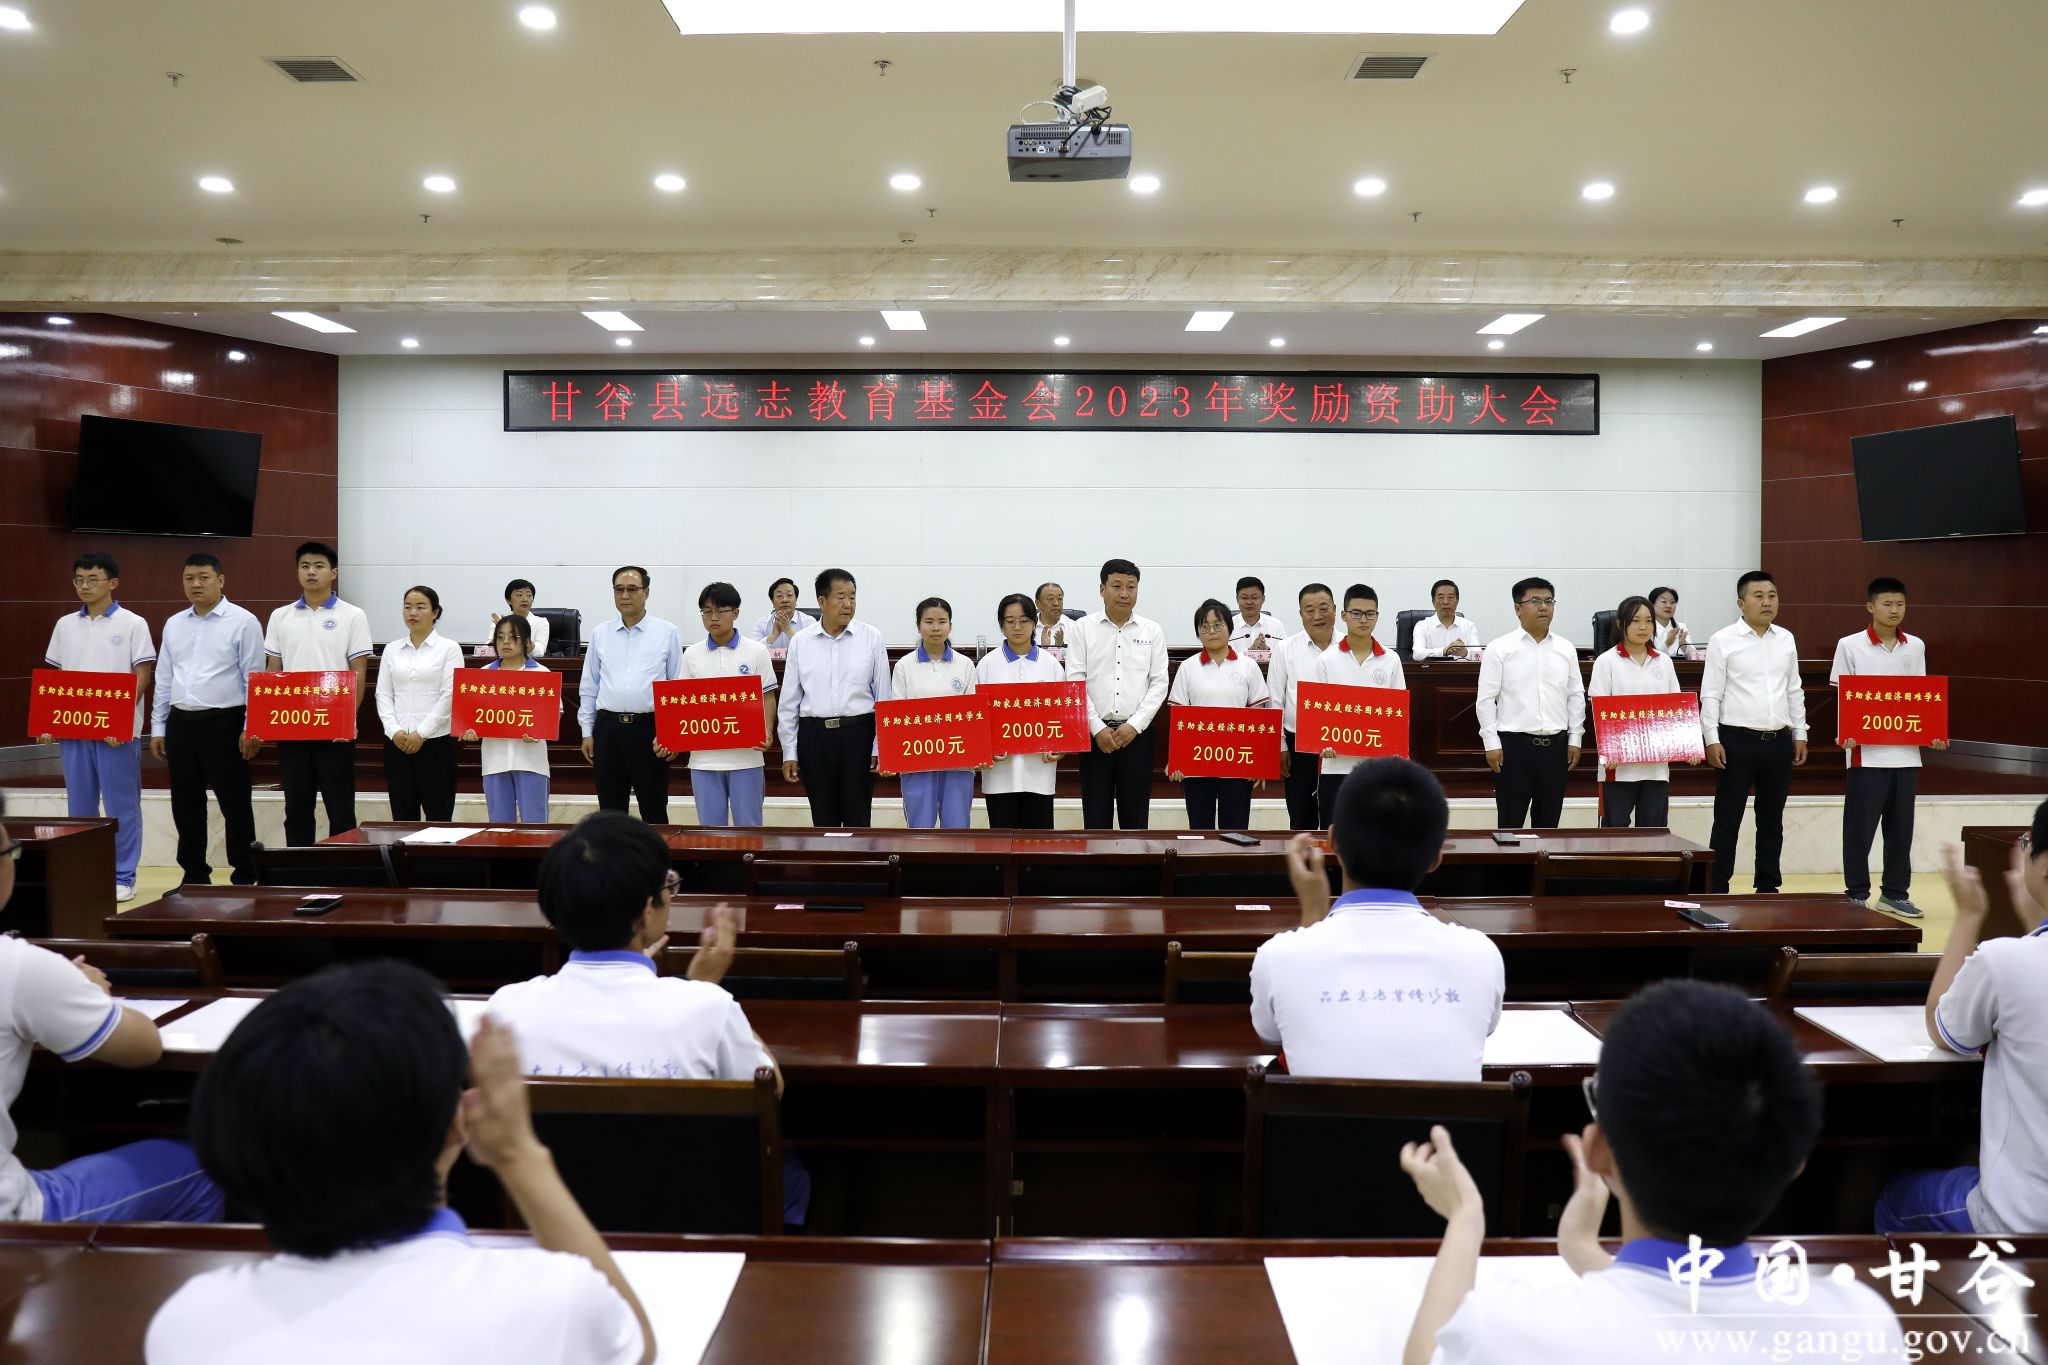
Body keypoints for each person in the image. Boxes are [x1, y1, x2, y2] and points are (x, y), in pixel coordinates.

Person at [146, 960, 654, 1365]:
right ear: (455, 1124)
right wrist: (519, 1154)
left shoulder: (187, 1323)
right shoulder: (555, 1301)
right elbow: (635, 1344)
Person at [1397, 978, 1900, 1365]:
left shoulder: (1514, 1331)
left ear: (1599, 1154)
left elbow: (1428, 1353)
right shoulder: (1862, 1326)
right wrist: (1582, 1250)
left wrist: (1466, 1218)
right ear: (1795, 1161)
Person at [487, 812, 807, 1228]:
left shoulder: (506, 1010)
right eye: (667, 886)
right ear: (645, 912)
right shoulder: (705, 1008)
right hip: (684, 1231)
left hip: (551, 1231)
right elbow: (769, 1087)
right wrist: (702, 986)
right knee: (793, 1174)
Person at [0, 794, 223, 1225]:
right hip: (12, 1218)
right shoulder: (20, 965)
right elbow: (142, 1046)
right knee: (201, 1165)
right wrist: (82, 990)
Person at [1252, 759, 1503, 1079]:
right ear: (1435, 858)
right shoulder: (1481, 956)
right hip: (1441, 1116)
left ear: (1333, 842)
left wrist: (1313, 916)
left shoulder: (1279, 956)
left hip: (1322, 1115)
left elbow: (1274, 1035)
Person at [1884, 807, 2048, 1235]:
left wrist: (1969, 916)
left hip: (2023, 1222)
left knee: (1893, 1196)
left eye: (2027, 845)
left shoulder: (2005, 960)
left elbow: (1943, 1027)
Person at [39, 550, 154, 900]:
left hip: (115, 733)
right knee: (80, 807)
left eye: (93, 579)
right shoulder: (65, 624)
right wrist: (49, 720)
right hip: (74, 729)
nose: (85, 586)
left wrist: (120, 720)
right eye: (79, 580)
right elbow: (59, 678)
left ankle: (123, 875)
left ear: (112, 583)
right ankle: (84, 871)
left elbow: (142, 674)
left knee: (122, 807)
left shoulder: (133, 623)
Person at [1833, 576, 1946, 917]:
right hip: (1865, 753)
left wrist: (1932, 732)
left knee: (1900, 831)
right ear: (1870, 607)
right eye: (1887, 604)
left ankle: (1895, 893)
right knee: (1859, 829)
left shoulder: (1916, 646)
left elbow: (1920, 697)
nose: (1894, 610)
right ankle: (1856, 893)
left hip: (1906, 753)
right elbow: (1844, 696)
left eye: (1900, 604)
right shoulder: (1849, 645)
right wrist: (1846, 732)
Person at [151, 553, 265, 886]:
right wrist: (158, 726)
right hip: (181, 723)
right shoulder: (174, 624)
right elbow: (164, 677)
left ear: (220, 580)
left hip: (225, 723)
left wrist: (251, 726)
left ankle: (244, 874)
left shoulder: (243, 621)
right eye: (189, 578)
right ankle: (194, 875)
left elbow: (254, 678)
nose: (196, 584)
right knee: (185, 803)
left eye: (203, 577)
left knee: (235, 802)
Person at [1700, 570, 1808, 894]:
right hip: (1736, 742)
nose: (1767, 602)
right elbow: (1711, 694)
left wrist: (1800, 732)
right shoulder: (1723, 640)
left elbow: (1794, 689)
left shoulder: (1786, 639)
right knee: (1727, 820)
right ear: (1741, 603)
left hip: (1778, 742)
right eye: (1758, 596)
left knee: (1772, 820)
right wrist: (1711, 739)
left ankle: (1767, 887)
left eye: (1772, 596)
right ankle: (1717, 887)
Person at [263, 541, 373, 846]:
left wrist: (348, 721)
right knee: (297, 808)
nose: (311, 572)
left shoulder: (353, 615)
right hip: (292, 726)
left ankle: (341, 868)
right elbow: (273, 669)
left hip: (334, 728)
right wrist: (269, 721)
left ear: (333, 573)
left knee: (340, 809)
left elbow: (358, 672)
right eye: (305, 566)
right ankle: (299, 868)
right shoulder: (280, 616)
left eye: (319, 566)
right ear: (297, 571)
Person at [778, 569, 891, 828]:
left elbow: (883, 696)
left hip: (859, 736)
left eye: (852, 597)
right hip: (815, 738)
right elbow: (789, 702)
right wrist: (789, 751)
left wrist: (879, 746)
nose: (848, 604)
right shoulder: (801, 642)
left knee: (858, 818)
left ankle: (859, 857)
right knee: (823, 819)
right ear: (822, 601)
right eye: (841, 597)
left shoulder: (871, 637)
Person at [1066, 558, 1169, 830]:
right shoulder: (1082, 628)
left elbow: (1159, 683)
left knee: (1135, 820)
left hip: (1137, 737)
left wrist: (1134, 725)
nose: (1125, 593)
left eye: (1131, 587)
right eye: (1117, 586)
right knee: (1096, 820)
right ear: (1102, 589)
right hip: (1095, 738)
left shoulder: (1152, 630)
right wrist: (1096, 728)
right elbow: (1075, 680)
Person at [1475, 577, 1584, 830]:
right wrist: (1491, 742)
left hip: (1556, 749)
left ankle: (1542, 860)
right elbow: (1486, 700)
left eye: (1549, 601)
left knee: (1548, 827)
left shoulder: (1566, 648)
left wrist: (1575, 738)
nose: (1544, 607)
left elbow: (1575, 696)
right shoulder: (1500, 648)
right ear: (1517, 608)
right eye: (1535, 601)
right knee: (1510, 826)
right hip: (1513, 749)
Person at [577, 566, 683, 824]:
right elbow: (589, 686)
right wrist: (587, 731)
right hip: (608, 731)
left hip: (650, 732)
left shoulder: (667, 632)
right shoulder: (600, 633)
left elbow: (676, 687)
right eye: (619, 589)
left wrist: (673, 735)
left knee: (654, 809)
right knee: (610, 812)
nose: (625, 595)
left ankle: (655, 853)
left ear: (647, 592)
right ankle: (614, 852)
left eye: (632, 589)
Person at [1167, 598, 1272, 830]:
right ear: (1198, 633)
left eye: (1218, 625)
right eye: (1204, 626)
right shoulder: (1188, 667)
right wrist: (1176, 760)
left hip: (1239, 761)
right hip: (1197, 761)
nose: (1212, 631)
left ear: (1229, 629)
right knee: (1199, 827)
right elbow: (1178, 718)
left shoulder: (1248, 666)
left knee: (1235, 828)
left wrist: (1259, 763)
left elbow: (1258, 716)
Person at [1587, 595, 1690, 828]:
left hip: (1657, 768)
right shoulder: (1606, 661)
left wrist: (1687, 744)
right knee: (1614, 836)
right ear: (1620, 624)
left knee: (1654, 835)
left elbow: (1676, 710)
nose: (1643, 627)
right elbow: (1598, 711)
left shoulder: (1664, 662)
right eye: (1635, 621)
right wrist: (1609, 751)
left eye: (1648, 621)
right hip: (1617, 769)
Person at [681, 582, 779, 827]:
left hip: (747, 758)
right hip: (704, 760)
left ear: (735, 613)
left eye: (721, 610)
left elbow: (767, 697)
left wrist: (767, 729)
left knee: (749, 830)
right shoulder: (692, 654)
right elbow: (681, 702)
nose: (713, 617)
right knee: (710, 832)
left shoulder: (757, 651)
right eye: (707, 611)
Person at [1311, 584, 1409, 826]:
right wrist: (1321, 742)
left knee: (1377, 831)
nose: (1363, 620)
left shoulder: (1391, 659)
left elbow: (1398, 713)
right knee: (1336, 833)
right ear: (1344, 615)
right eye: (1356, 613)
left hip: (1378, 766)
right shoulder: (1326, 660)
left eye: (1370, 613)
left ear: (1377, 616)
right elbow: (1317, 713)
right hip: (1335, 764)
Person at [888, 597, 980, 829]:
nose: (936, 628)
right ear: (918, 626)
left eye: (942, 621)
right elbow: (897, 714)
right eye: (929, 622)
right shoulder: (904, 666)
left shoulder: (965, 665)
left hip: (958, 761)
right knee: (919, 830)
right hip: (917, 761)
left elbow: (973, 715)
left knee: (957, 829)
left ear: (951, 626)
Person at [977, 593, 1066, 830]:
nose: (1017, 627)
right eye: (1010, 621)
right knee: (1001, 841)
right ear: (1001, 625)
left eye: (1024, 620)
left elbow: (1064, 716)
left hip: (1040, 772)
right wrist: (985, 750)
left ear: (1034, 623)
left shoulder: (1051, 665)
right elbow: (977, 718)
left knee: (1039, 842)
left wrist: (1060, 748)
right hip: (999, 775)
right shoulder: (987, 665)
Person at [376, 586, 462, 823]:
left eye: (420, 607)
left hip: (436, 744)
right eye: (407, 607)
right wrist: (394, 731)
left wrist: (421, 733)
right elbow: (383, 694)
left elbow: (449, 695)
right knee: (403, 819)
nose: (412, 612)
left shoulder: (449, 648)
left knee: (439, 819)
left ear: (435, 612)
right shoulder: (392, 649)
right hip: (397, 743)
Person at [463, 615, 557, 825]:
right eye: (500, 637)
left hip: (531, 761)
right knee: (499, 828)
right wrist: (470, 730)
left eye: (513, 637)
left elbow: (554, 714)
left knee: (535, 828)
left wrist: (540, 730)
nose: (505, 642)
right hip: (495, 761)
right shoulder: (483, 675)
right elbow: (472, 716)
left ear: (526, 642)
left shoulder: (542, 674)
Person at [1266, 583, 1337, 829]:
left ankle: (1336, 856)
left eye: (1323, 608)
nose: (1317, 616)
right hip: (1298, 743)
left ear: (1335, 609)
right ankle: (1303, 855)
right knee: (1301, 817)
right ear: (1300, 614)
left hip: (1341, 743)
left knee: (1337, 817)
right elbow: (1275, 699)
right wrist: (1280, 745)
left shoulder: (1350, 646)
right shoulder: (1286, 649)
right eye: (1309, 610)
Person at [1413, 578, 1480, 660]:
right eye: (1441, 597)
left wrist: (1465, 653)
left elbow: (1479, 656)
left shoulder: (1468, 626)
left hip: (1460, 668)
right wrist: (1444, 651)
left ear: (1457, 601)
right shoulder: (1422, 626)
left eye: (1450, 597)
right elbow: (1417, 654)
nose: (1446, 602)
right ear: (1433, 602)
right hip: (1433, 668)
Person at [490, 577, 550, 659]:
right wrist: (500, 630)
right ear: (508, 600)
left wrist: (517, 630)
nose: (525, 599)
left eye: (529, 595)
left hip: (528, 664)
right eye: (519, 595)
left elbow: (539, 652)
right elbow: (486, 650)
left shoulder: (541, 622)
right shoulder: (500, 621)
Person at [1228, 576, 1291, 652]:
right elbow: (1222, 656)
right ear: (1237, 599)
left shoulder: (1276, 625)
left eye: (1254, 598)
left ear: (1263, 599)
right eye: (1245, 598)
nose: (1249, 602)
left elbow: (1285, 654)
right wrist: (1249, 652)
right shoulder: (1227, 626)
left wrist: (1267, 650)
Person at [748, 577, 805, 651]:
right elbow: (753, 651)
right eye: (779, 596)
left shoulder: (808, 622)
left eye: (789, 595)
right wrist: (772, 636)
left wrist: (788, 630)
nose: (785, 600)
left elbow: (812, 650)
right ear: (772, 602)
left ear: (796, 600)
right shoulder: (762, 623)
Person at [1648, 585, 1690, 659]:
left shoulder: (1681, 627)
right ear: (1652, 604)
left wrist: (1683, 644)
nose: (1669, 605)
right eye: (1664, 601)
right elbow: (1648, 657)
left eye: (1672, 602)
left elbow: (1694, 655)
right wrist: (1667, 643)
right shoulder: (1647, 628)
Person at [1033, 582, 1074, 649]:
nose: (1056, 603)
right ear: (1038, 603)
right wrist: (1043, 649)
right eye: (1051, 599)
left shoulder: (1073, 627)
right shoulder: (1028, 627)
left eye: (1060, 599)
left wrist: (1060, 647)